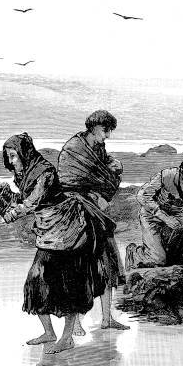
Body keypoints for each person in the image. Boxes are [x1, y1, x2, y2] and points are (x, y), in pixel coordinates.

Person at [0, 133, 109, 354]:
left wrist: (4, 218)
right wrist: (7, 197)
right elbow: (26, 199)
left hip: (68, 231)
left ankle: (67, 337)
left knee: (70, 286)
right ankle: (49, 333)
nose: (11, 161)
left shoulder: (45, 172)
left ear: (25, 153)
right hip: (47, 233)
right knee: (35, 281)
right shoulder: (23, 173)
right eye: (8, 157)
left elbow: (32, 202)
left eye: (14, 156)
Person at [57, 110, 128, 332]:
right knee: (79, 268)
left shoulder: (99, 147)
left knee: (107, 262)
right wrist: (93, 194)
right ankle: (75, 322)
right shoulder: (73, 148)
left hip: (97, 213)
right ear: (94, 127)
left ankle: (107, 318)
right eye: (105, 130)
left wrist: (113, 167)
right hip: (76, 213)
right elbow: (67, 182)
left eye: (110, 131)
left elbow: (102, 172)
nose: (108, 136)